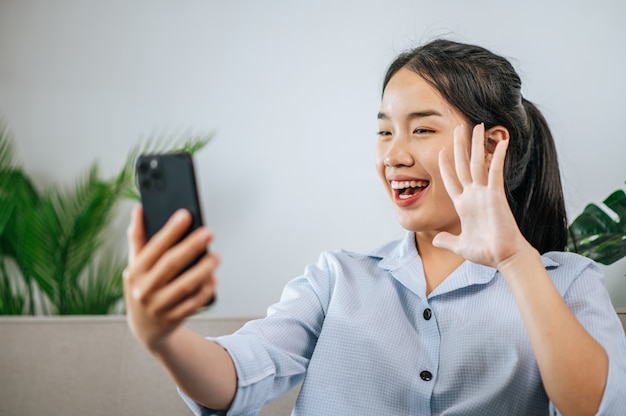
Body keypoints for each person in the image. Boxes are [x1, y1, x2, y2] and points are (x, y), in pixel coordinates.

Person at [123, 39, 626, 415]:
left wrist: (515, 259)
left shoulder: (567, 281)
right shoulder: (337, 279)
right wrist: (164, 338)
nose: (393, 154)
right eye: (384, 130)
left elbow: (597, 406)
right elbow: (238, 374)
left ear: (492, 145)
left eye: (421, 129)